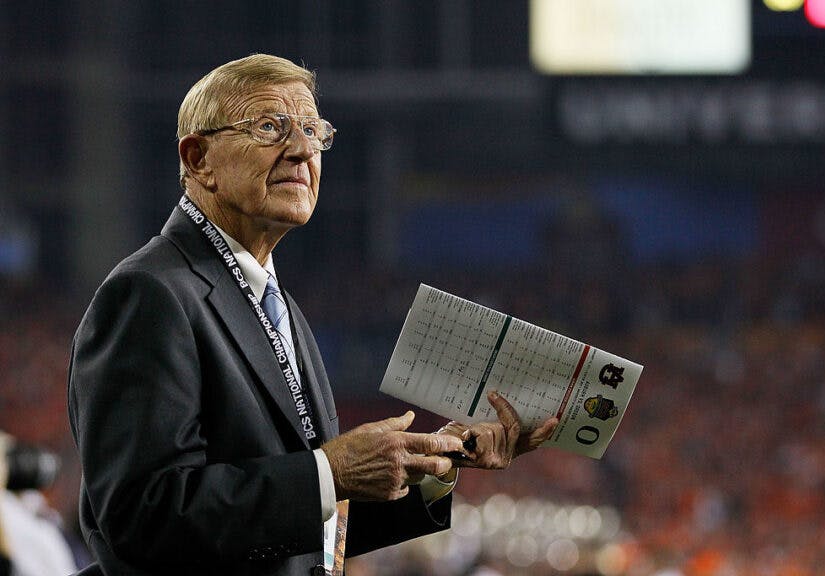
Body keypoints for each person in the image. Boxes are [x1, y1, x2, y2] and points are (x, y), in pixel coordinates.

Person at [67, 54, 558, 576]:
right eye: (270, 127)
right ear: (199, 159)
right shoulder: (151, 294)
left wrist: (441, 460)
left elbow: (313, 532)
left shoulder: (273, 302)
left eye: (312, 130)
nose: (302, 150)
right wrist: (329, 471)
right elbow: (141, 519)